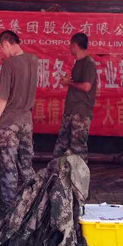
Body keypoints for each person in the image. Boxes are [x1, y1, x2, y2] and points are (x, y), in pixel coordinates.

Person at [0, 30, 38, 208]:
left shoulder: (9, 64)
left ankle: (9, 209)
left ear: (6, 43)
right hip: (27, 121)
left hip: (10, 122)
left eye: (2, 48)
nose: (2, 52)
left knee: (8, 167)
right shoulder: (33, 60)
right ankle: (32, 204)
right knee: (26, 165)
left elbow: (3, 97)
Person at [52, 32, 97, 162]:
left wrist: (69, 83)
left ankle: (80, 174)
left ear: (75, 45)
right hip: (71, 110)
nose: (69, 48)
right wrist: (69, 81)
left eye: (70, 45)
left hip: (81, 112)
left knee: (78, 148)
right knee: (61, 145)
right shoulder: (78, 63)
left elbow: (87, 86)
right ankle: (58, 171)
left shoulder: (88, 63)